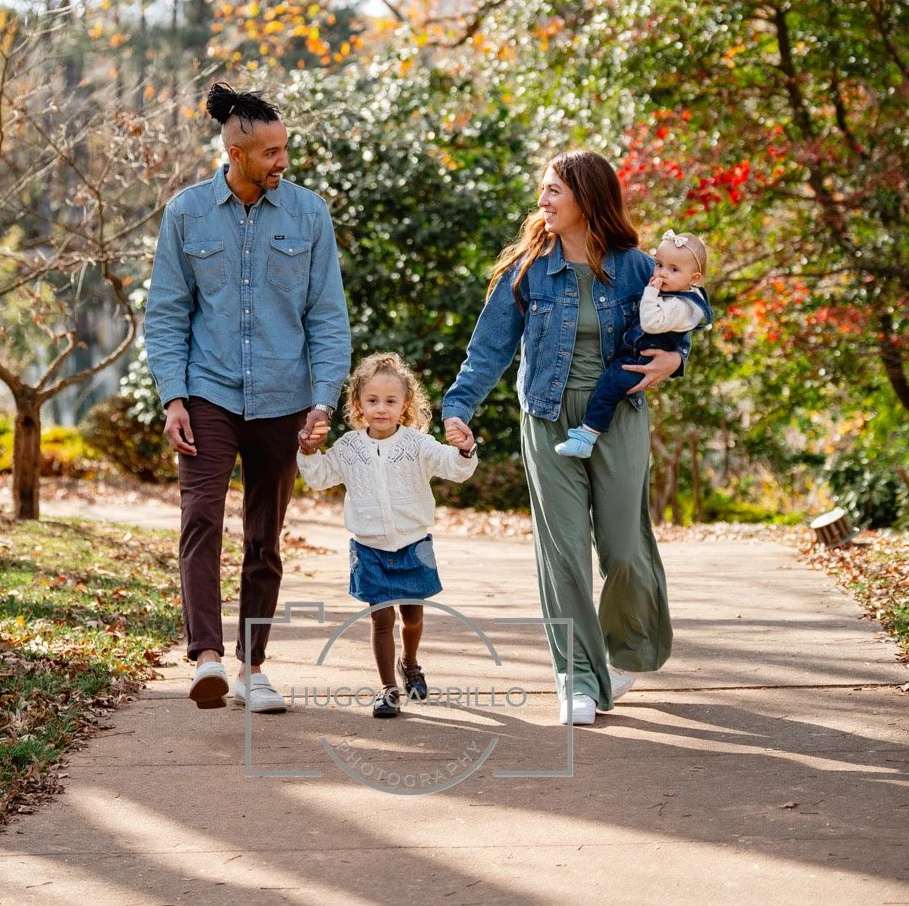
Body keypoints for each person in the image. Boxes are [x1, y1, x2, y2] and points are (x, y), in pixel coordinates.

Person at [441, 153, 690, 727]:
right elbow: (489, 349)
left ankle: (625, 649)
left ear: (587, 197)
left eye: (555, 191)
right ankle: (576, 675)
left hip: (617, 416)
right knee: (565, 553)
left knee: (625, 549)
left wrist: (677, 359)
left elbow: (681, 317)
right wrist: (458, 407)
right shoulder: (526, 270)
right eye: (543, 192)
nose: (544, 202)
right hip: (547, 418)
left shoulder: (635, 268)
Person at [145, 83, 351, 711]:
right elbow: (167, 314)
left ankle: (252, 667)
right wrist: (173, 398)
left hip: (286, 396)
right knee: (201, 518)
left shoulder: (309, 215)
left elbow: (327, 317)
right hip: (207, 392)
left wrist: (322, 401)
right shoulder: (186, 215)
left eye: (284, 148)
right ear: (235, 153)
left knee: (266, 536)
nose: (282, 161)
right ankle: (206, 659)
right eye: (270, 152)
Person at [298, 352, 477, 718]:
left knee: (412, 616)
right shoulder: (349, 447)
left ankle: (409, 662)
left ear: (405, 405)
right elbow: (318, 478)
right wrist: (308, 452)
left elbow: (453, 467)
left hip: (414, 544)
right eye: (373, 400)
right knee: (382, 619)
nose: (381, 408)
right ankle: (388, 690)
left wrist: (464, 449)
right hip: (369, 548)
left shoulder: (417, 444)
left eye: (391, 401)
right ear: (358, 404)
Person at [557, 228, 712, 458]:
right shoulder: (677, 293)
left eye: (674, 269)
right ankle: (585, 436)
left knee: (607, 389)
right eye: (659, 264)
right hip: (633, 355)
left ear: (694, 279)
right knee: (607, 387)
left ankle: (586, 436)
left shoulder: (682, 306)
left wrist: (650, 292)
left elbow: (651, 323)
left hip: (641, 362)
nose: (662, 273)